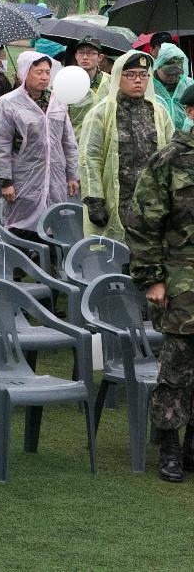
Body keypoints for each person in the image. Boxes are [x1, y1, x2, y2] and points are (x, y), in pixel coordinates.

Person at [124, 84, 194, 482]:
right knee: (177, 367)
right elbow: (143, 223)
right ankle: (168, 445)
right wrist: (151, 279)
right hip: (180, 279)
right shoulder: (169, 159)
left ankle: (192, 448)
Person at [80, 50, 175, 241]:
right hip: (116, 200)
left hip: (152, 203)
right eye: (130, 75)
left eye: (143, 75)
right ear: (118, 77)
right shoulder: (101, 113)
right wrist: (94, 201)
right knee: (115, 255)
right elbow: (89, 157)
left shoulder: (159, 112)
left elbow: (172, 153)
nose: (138, 80)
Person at [0, 51, 79, 240]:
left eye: (47, 72)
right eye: (39, 72)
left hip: (54, 177)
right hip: (23, 178)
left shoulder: (58, 101)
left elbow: (68, 141)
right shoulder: (8, 103)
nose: (45, 77)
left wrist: (72, 175)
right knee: (20, 225)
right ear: (25, 72)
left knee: (52, 223)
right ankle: (20, 265)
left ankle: (47, 264)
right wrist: (6, 182)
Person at [67, 36, 108, 138]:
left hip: (102, 143)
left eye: (90, 53)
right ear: (76, 56)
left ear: (100, 57)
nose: (85, 57)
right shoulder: (66, 82)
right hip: (75, 144)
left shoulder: (109, 82)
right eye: (81, 53)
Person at [153, 42, 194, 133]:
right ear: (158, 66)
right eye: (168, 73)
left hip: (187, 138)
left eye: (177, 73)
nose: (173, 77)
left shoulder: (189, 84)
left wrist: (189, 126)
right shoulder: (148, 85)